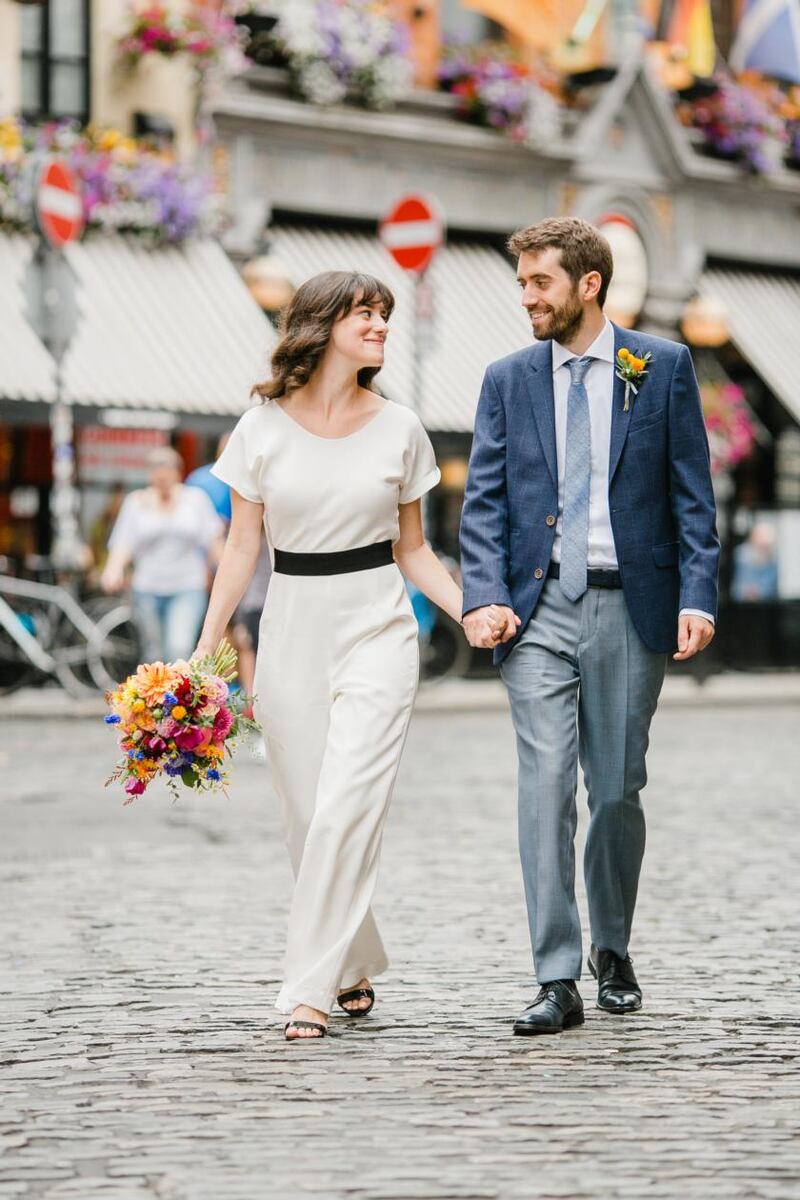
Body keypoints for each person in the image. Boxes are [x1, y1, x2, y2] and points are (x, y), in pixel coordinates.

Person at [193, 270, 498, 1042]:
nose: (381, 326)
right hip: (292, 625)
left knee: (347, 806)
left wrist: (470, 611)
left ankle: (307, 991)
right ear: (322, 324)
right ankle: (353, 957)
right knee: (306, 816)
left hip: (378, 627)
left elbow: (415, 550)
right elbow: (240, 548)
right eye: (367, 313)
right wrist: (205, 649)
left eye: (386, 316)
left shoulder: (401, 428)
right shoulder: (259, 428)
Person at [460, 218, 719, 1035]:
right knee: (544, 789)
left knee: (615, 789)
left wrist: (698, 596)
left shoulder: (662, 366)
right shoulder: (507, 378)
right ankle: (556, 976)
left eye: (540, 283)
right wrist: (481, 596)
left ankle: (614, 948)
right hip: (535, 612)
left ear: (588, 284)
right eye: (523, 284)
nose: (528, 298)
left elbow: (692, 497)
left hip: (629, 603)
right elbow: (486, 504)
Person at [101, 447, 224, 663]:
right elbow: (122, 544)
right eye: (157, 475)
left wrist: (226, 573)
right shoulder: (136, 502)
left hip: (187, 586)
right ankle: (155, 698)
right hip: (147, 588)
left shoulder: (195, 500)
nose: (162, 479)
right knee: (152, 654)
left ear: (178, 473)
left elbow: (214, 541)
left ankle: (178, 697)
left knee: (179, 647)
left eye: (167, 473)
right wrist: (113, 570)